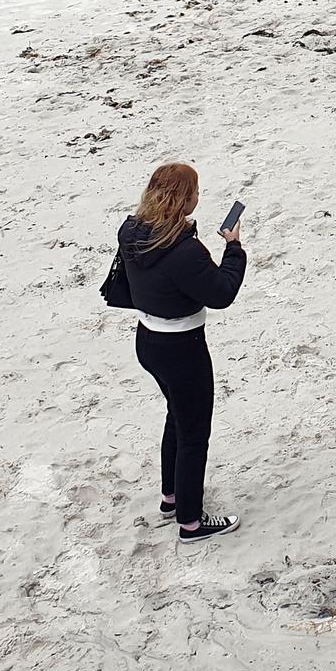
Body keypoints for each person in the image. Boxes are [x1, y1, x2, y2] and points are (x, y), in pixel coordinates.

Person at [120, 162, 247, 544]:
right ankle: (191, 522)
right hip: (183, 348)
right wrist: (234, 247)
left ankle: (171, 497)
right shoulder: (184, 251)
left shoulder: (131, 231)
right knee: (194, 434)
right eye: (195, 191)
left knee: (176, 415)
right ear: (184, 199)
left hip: (148, 342)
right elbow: (222, 293)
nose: (199, 197)